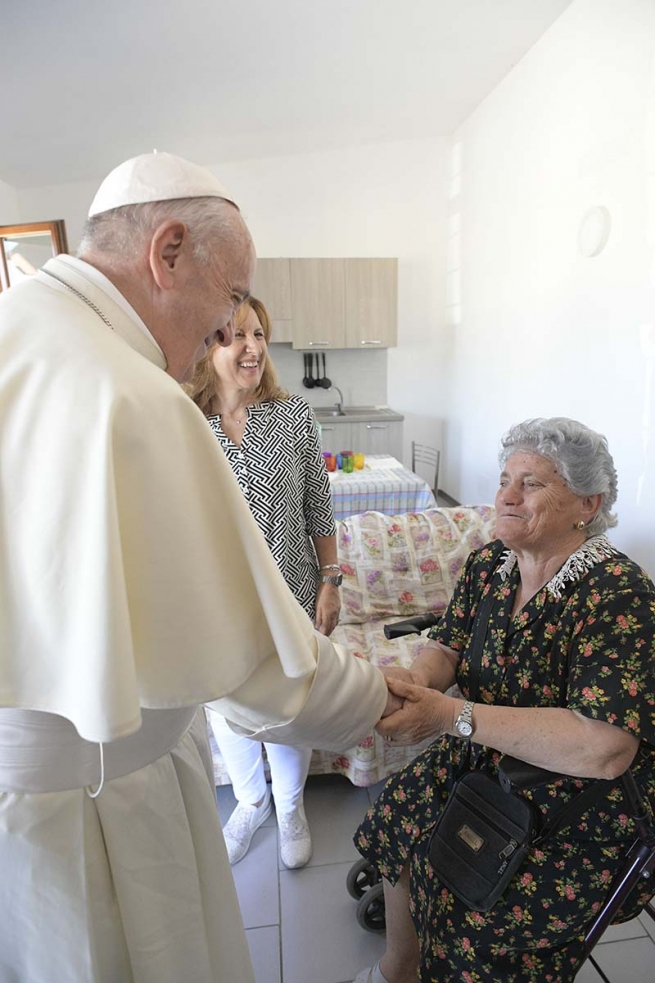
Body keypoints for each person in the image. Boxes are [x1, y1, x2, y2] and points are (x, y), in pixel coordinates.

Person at [0, 151, 398, 983]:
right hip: (100, 802)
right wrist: (384, 700)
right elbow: (256, 664)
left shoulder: (22, 326)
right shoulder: (132, 394)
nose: (225, 333)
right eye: (226, 302)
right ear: (168, 251)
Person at [353, 417, 655, 983]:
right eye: (504, 479)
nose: (506, 496)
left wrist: (450, 716)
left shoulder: (618, 595)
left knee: (473, 912)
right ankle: (399, 969)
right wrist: (419, 683)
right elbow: (447, 643)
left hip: (580, 798)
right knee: (397, 813)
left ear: (586, 505)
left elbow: (605, 748)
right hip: (487, 759)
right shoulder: (491, 564)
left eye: (532, 484)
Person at [186, 296, 340, 868]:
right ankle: (250, 802)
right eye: (233, 337)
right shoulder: (185, 423)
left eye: (258, 335)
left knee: (289, 705)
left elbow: (318, 510)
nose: (251, 348)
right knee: (230, 706)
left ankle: (289, 805)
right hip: (218, 604)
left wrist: (331, 580)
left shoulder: (294, 415)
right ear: (208, 346)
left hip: (293, 594)